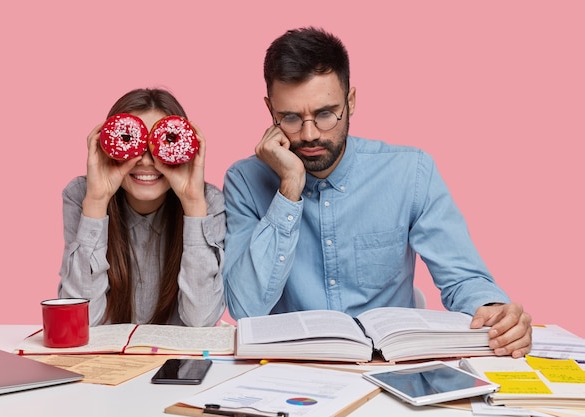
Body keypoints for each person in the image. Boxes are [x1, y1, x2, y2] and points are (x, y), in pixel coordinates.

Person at [223, 27, 532, 358]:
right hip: (288, 371)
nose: (310, 134)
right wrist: (289, 189)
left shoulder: (410, 173)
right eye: (291, 117)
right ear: (271, 111)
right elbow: (245, 308)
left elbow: (462, 278)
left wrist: (496, 311)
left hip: (387, 368)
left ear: (351, 102)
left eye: (326, 113)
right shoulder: (244, 182)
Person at [59, 88, 226, 327]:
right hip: (106, 362)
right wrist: (96, 203)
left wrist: (193, 204)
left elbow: (201, 321)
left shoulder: (207, 202)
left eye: (162, 143)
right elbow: (80, 321)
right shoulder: (81, 196)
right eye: (131, 143)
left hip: (176, 362)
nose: (147, 161)